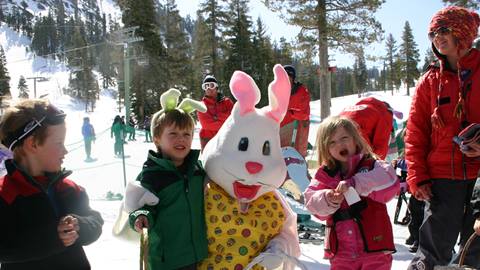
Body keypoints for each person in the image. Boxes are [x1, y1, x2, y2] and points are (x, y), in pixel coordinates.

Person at [405, 6, 480, 270]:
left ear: (463, 34)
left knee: (475, 251)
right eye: (433, 33)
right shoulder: (429, 81)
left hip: (479, 179)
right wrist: (417, 175)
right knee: (431, 255)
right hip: (441, 178)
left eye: (444, 30)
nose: (437, 37)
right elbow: (415, 132)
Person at [0, 99, 103, 269]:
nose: (65, 150)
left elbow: (95, 221)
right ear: (33, 144)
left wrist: (80, 225)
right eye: (58, 143)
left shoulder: (67, 188)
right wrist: (53, 238)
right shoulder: (6, 194)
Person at [304, 115, 398, 270]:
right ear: (325, 148)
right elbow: (311, 200)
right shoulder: (325, 176)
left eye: (344, 138)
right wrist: (327, 198)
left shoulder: (372, 165)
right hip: (341, 254)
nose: (339, 144)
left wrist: (356, 183)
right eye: (332, 142)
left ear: (355, 139)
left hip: (375, 252)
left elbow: (390, 181)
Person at [126, 95, 208, 269]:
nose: (181, 139)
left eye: (187, 134)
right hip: (166, 261)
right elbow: (140, 207)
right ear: (156, 139)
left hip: (198, 255)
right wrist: (141, 216)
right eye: (173, 134)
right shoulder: (152, 175)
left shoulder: (197, 170)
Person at [279, 65, 311, 157]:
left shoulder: (301, 91)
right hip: (282, 127)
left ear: (293, 78)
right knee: (282, 153)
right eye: (283, 78)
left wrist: (291, 112)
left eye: (288, 78)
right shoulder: (278, 91)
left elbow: (304, 114)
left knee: (298, 154)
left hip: (299, 127)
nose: (286, 81)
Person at [197, 74, 234, 150]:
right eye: (206, 86)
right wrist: (224, 118)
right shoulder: (201, 105)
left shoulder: (227, 102)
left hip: (226, 137)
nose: (209, 88)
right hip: (207, 139)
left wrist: (215, 117)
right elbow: (206, 125)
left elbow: (232, 120)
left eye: (211, 85)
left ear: (216, 87)